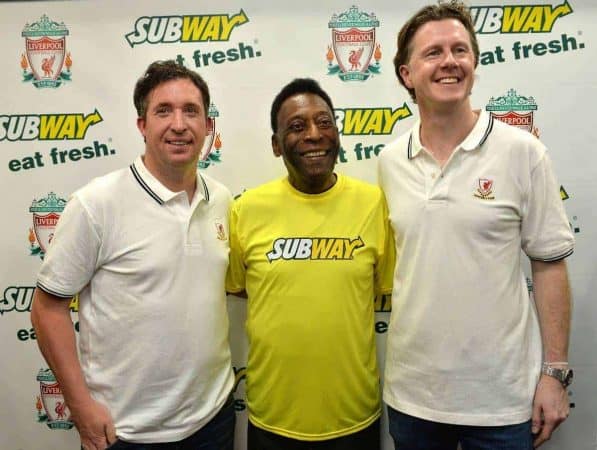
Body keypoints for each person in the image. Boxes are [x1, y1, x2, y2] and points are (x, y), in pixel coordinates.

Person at [378, 2, 575, 449]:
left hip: (503, 402)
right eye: (433, 53)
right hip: (414, 400)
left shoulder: (523, 153)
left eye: (460, 50)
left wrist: (555, 373)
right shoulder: (389, 161)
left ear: (474, 63)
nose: (450, 61)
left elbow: (549, 267)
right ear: (406, 74)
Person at [30, 60, 235, 450]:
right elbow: (46, 308)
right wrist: (80, 406)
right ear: (142, 126)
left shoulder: (221, 199)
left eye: (191, 111)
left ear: (208, 126)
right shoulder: (96, 204)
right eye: (164, 111)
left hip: (213, 420)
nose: (179, 124)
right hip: (126, 433)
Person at [226, 78, 394, 450]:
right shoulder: (246, 209)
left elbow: (384, 285)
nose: (314, 135)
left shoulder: (373, 204)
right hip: (272, 421)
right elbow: (238, 286)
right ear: (275, 144)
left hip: (355, 419)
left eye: (325, 122)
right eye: (297, 127)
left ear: (337, 133)